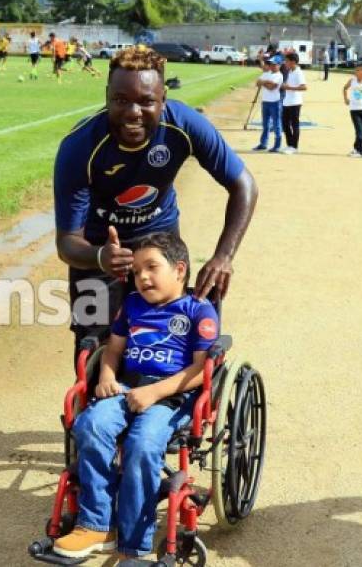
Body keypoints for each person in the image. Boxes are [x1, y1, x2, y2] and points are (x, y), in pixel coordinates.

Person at [52, 47, 257, 359]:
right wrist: (99, 256)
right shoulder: (80, 147)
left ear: (163, 99)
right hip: (99, 248)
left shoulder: (184, 125)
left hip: (160, 242)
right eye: (121, 100)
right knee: (93, 347)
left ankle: (164, 398)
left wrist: (223, 257)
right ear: (107, 96)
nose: (133, 112)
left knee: (168, 337)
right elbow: (67, 243)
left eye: (147, 101)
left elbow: (244, 185)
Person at [52, 232, 220, 561]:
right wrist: (106, 375)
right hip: (127, 388)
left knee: (142, 445)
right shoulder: (131, 306)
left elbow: (202, 370)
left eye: (151, 267)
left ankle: (134, 545)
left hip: (172, 396)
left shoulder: (199, 310)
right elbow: (113, 350)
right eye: (136, 271)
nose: (142, 277)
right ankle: (97, 525)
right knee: (91, 425)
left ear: (180, 269)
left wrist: (154, 392)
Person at [253, 55, 284, 153]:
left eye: (274, 64)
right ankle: (263, 143)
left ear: (279, 65)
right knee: (265, 124)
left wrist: (263, 82)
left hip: (275, 102)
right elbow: (257, 83)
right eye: (271, 64)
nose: (271, 66)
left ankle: (277, 145)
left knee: (276, 125)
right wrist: (266, 82)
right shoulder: (267, 73)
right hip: (265, 102)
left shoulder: (279, 75)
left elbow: (272, 87)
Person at [343, 63, 362, 158]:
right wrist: (345, 99)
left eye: (358, 70)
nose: (355, 72)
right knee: (359, 130)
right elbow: (344, 88)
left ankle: (356, 149)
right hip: (354, 110)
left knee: (361, 131)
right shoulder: (352, 81)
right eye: (355, 70)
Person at [281, 52, 307, 155]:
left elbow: (304, 87)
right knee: (285, 124)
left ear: (292, 62)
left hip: (295, 102)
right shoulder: (290, 72)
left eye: (286, 61)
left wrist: (289, 87)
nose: (285, 63)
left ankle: (294, 146)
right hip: (287, 102)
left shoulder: (298, 72)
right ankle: (289, 145)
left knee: (294, 125)